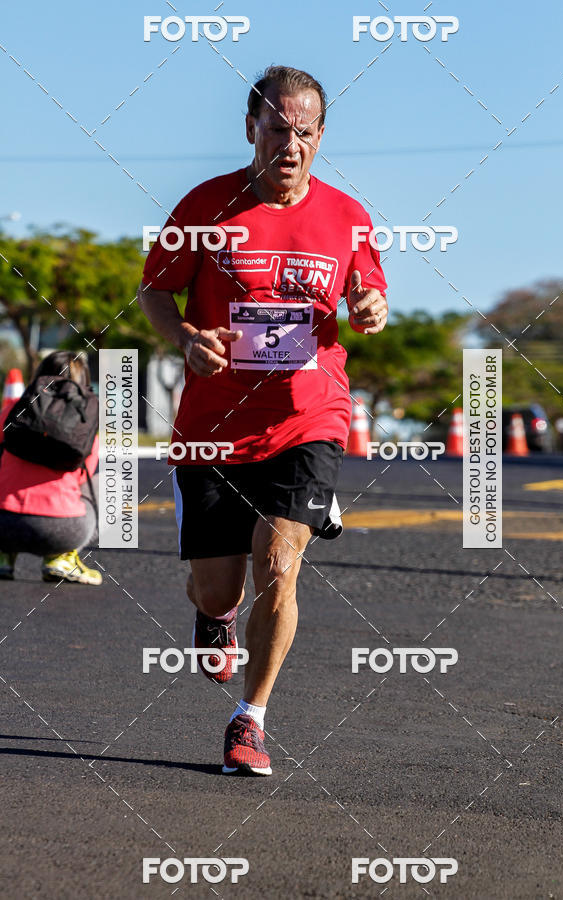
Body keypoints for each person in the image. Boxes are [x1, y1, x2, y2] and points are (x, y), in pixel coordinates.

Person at [138, 65, 388, 775]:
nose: (291, 144)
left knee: (279, 563)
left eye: (305, 132)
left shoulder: (347, 215)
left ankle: (250, 720)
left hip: (309, 418)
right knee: (219, 586)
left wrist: (371, 310)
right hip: (214, 426)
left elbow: (368, 294)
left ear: (320, 136)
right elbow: (156, 291)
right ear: (251, 128)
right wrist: (186, 337)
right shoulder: (206, 208)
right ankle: (213, 614)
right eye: (278, 129)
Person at [0, 351, 102, 585]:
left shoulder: (13, 410)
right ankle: (62, 558)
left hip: (3, 524)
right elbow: (84, 475)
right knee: (114, 482)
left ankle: (3, 555)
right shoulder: (85, 420)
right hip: (61, 532)